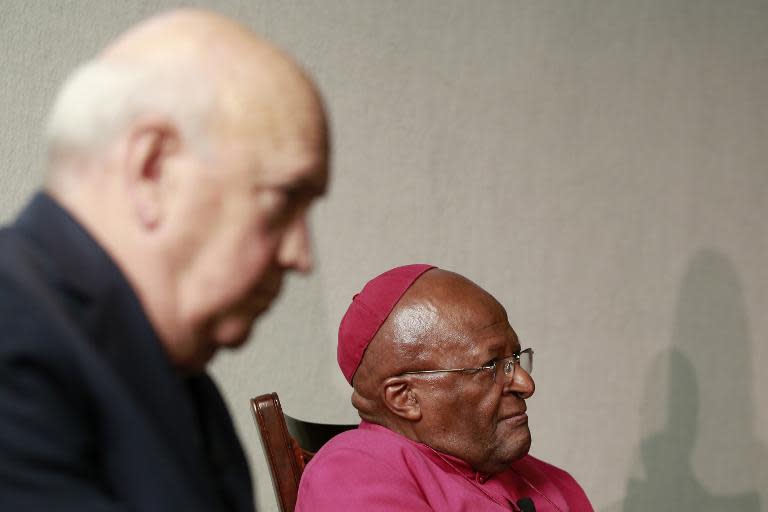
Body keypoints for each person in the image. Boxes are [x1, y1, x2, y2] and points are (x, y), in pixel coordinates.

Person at [0, 8, 329, 511]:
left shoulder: (177, 373)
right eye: (284, 199)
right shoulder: (14, 335)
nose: (301, 256)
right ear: (153, 169)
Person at [296, 264, 593, 512]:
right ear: (405, 397)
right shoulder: (352, 475)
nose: (525, 384)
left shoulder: (548, 481)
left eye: (515, 359)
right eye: (491, 366)